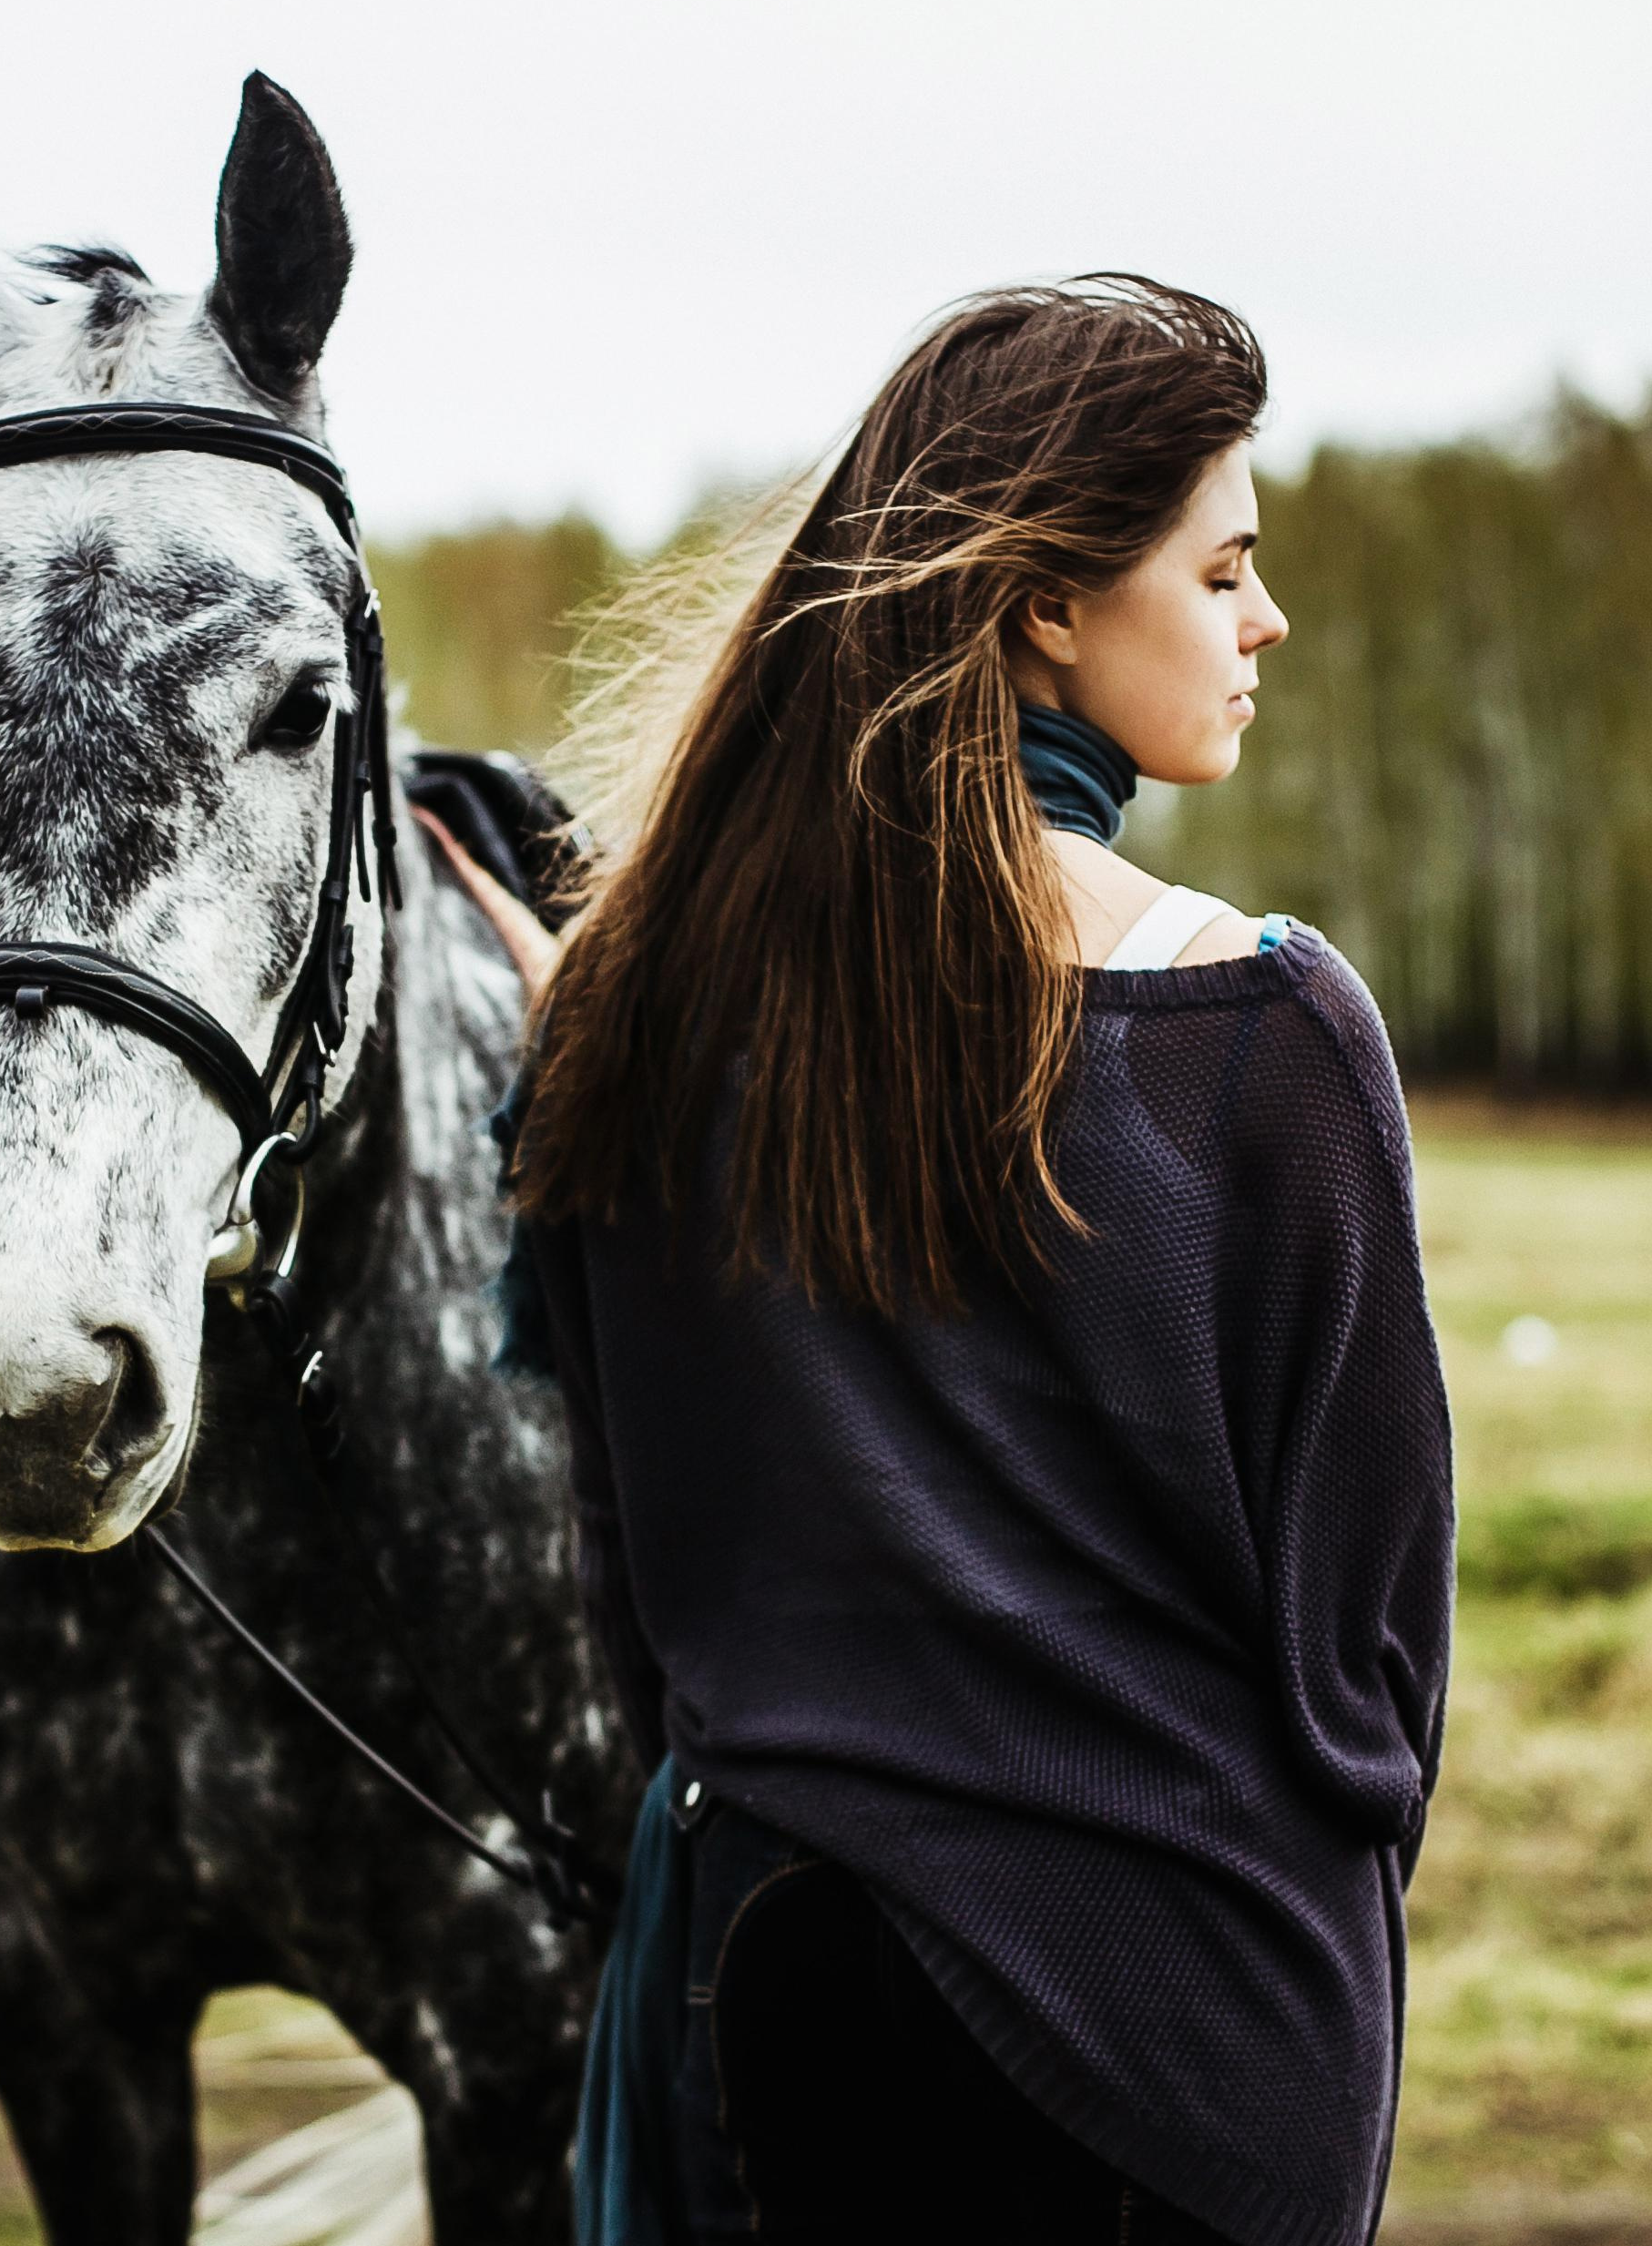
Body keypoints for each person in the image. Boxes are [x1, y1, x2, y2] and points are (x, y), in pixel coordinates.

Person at [454, 278, 1454, 2245]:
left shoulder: (625, 1016)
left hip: (761, 1995)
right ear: (1044, 607)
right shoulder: (1262, 1036)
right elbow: (1368, 1674)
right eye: (1224, 567)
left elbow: (628, 1577)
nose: (1267, 622)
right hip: (1181, 2034)